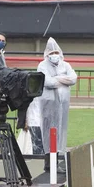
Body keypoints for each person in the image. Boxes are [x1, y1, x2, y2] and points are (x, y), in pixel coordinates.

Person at [37, 38, 77, 172]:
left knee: (60, 131)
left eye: (56, 52)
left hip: (62, 106)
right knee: (49, 132)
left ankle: (56, 161)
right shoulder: (42, 65)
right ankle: (49, 163)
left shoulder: (65, 65)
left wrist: (57, 79)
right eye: (51, 52)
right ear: (47, 54)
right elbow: (47, 81)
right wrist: (61, 79)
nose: (54, 55)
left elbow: (73, 79)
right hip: (48, 105)